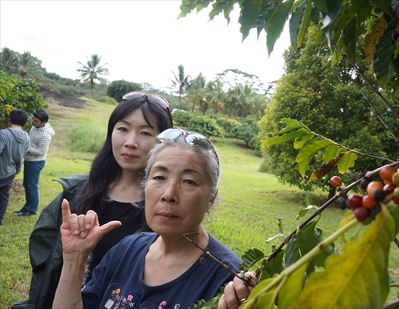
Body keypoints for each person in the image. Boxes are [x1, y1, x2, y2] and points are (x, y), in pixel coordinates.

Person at [52, 128, 254, 309]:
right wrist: (74, 260)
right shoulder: (126, 249)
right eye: (159, 177)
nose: (169, 194)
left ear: (211, 198)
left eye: (189, 181)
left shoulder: (229, 281)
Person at [12, 92, 173, 309]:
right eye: (123, 129)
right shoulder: (77, 192)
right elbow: (45, 258)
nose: (130, 142)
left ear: (163, 142)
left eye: (145, 133)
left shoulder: (167, 207)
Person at [14, 109, 56, 217]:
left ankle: (31, 210)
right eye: (33, 119)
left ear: (43, 123)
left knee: (31, 186)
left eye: (36, 121)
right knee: (27, 185)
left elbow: (41, 152)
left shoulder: (45, 136)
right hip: (30, 160)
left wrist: (27, 149)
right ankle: (27, 208)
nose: (33, 121)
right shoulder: (36, 126)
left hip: (35, 162)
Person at [0, 109, 30, 225]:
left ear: (10, 119)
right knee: (3, 195)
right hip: (11, 171)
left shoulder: (4, 134)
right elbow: (25, 153)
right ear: (24, 122)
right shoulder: (26, 137)